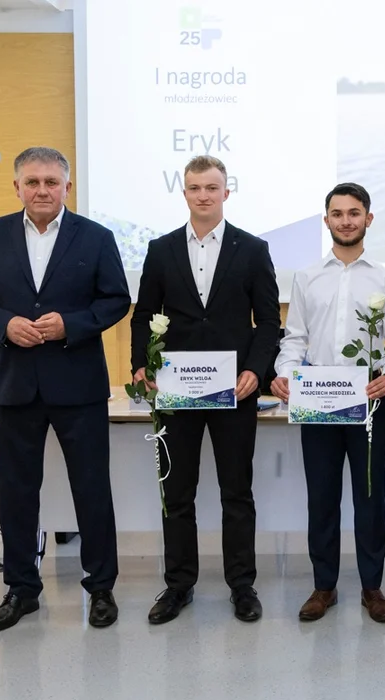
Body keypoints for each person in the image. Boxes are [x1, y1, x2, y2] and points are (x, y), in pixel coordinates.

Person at [0, 146, 130, 632]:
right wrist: (5, 325)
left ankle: (101, 588)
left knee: (91, 489)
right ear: (16, 187)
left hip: (79, 385)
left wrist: (71, 325)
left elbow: (116, 299)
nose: (42, 190)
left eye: (52, 182)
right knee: (16, 492)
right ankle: (21, 589)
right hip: (15, 386)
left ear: (67, 187)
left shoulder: (96, 237)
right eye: (32, 182)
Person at [130, 155, 281, 625]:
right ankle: (178, 585)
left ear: (225, 192)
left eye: (211, 188)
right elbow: (142, 315)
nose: (203, 195)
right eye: (195, 188)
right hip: (176, 392)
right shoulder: (160, 249)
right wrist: (140, 365)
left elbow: (268, 321)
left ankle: (242, 586)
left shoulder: (252, 249)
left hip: (235, 391)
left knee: (237, 492)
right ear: (184, 193)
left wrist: (256, 370)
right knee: (177, 493)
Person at [271, 183, 385, 623]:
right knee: (322, 496)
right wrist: (285, 373)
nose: (345, 221)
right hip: (317, 400)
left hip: (368, 401)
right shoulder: (307, 277)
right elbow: (295, 338)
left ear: (368, 218)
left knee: (370, 497)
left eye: (354, 213)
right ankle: (324, 586)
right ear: (326, 219)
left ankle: (372, 587)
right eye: (337, 213)